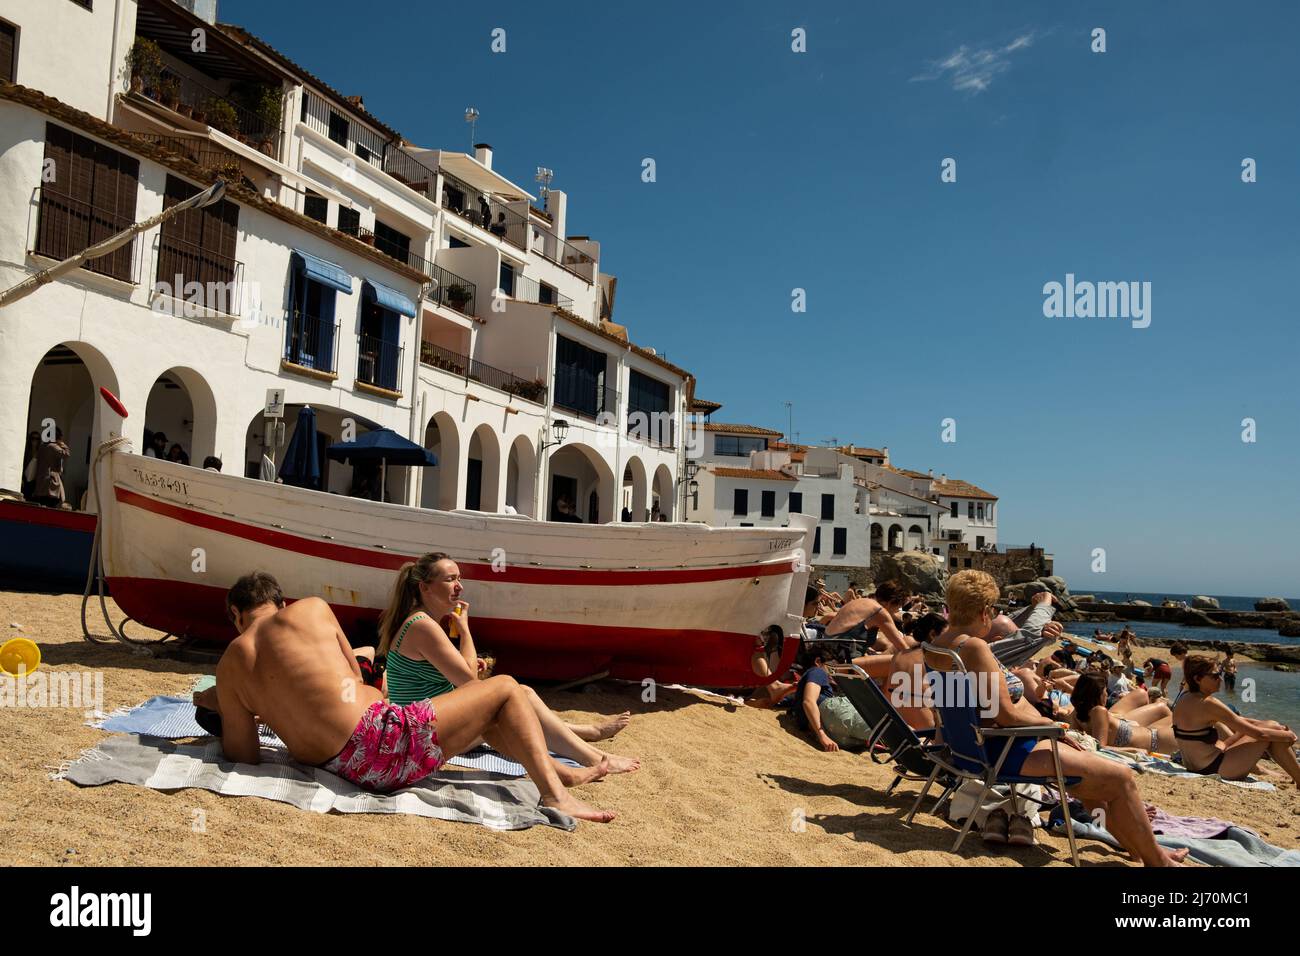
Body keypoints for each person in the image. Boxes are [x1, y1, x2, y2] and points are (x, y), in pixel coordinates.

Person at [200, 571, 614, 820]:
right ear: (280, 602)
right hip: (382, 745)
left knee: (487, 713)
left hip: (344, 767)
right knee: (504, 690)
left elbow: (244, 755)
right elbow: (355, 677)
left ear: (237, 616)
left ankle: (567, 771)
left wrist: (246, 706)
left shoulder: (231, 666)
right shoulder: (311, 608)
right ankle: (557, 795)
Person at [922, 570, 1187, 866]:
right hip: (1004, 750)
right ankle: (1159, 862)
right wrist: (1055, 727)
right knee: (1121, 777)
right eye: (993, 610)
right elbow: (1005, 715)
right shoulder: (972, 647)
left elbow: (969, 707)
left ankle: (1146, 852)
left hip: (975, 749)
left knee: (1097, 782)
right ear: (985, 612)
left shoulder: (935, 646)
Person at [378, 553, 638, 780]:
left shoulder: (418, 621)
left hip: (432, 725)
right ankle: (593, 754)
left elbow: (453, 677)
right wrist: (465, 630)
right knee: (518, 697)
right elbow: (469, 683)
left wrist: (464, 658)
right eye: (450, 580)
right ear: (425, 588)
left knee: (517, 699)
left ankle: (588, 739)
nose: (459, 586)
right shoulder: (423, 625)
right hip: (423, 737)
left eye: (459, 578)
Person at [1172, 655, 1300, 786]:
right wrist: (1289, 736)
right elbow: (1259, 735)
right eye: (1215, 676)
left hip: (1198, 765)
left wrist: (1264, 725)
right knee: (1273, 729)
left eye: (1220, 674)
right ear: (1198, 679)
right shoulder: (1208, 703)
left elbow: (1238, 720)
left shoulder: (1185, 697)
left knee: (1271, 726)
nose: (1220, 679)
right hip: (1216, 768)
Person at [1068, 673, 1176, 753]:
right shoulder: (1099, 711)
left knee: (1168, 712)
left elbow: (1075, 738)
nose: (1106, 694)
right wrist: (1133, 750)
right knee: (1177, 717)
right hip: (1155, 742)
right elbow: (1100, 747)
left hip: (1151, 734)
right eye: (1105, 691)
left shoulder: (1077, 713)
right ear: (1098, 694)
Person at [821, 581, 914, 656]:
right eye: (899, 606)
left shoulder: (859, 601)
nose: (898, 610)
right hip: (841, 660)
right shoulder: (880, 612)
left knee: (885, 644)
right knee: (905, 649)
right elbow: (903, 647)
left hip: (826, 652)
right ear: (891, 602)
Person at [31, 428, 71, 509]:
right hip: (50, 483)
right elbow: (66, 454)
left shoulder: (42, 446)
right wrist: (62, 444)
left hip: (40, 483)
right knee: (51, 506)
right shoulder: (53, 446)